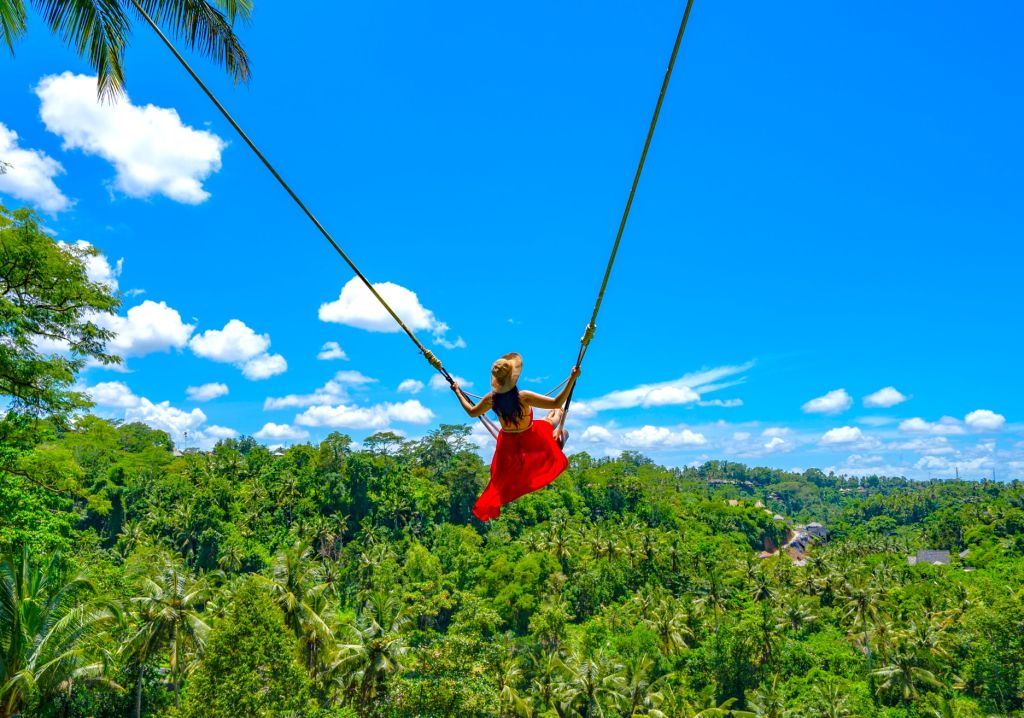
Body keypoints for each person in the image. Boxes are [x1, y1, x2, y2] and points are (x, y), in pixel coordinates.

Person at [452, 352, 580, 521]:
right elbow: (557, 402)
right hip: (531, 436)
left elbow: (471, 412)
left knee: (551, 420)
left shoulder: (492, 399)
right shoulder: (523, 397)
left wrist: (457, 391)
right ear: (513, 377)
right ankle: (558, 430)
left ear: (497, 380)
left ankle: (556, 425)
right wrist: (572, 378)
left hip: (508, 443)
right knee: (558, 420)